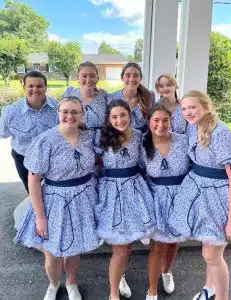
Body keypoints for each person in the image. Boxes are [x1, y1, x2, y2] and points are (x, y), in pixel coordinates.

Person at [14, 96, 100, 300]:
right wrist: (40, 217)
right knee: (51, 252)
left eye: (75, 112)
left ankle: (71, 283)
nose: (69, 116)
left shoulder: (89, 137)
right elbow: (34, 180)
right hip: (54, 201)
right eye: (65, 111)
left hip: (83, 199)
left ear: (82, 114)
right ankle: (53, 284)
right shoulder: (45, 140)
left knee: (74, 247)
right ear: (58, 113)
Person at [169, 90, 231, 300]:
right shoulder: (194, 128)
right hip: (200, 196)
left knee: (212, 255)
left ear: (206, 105)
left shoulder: (221, 134)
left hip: (218, 200)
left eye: (192, 107)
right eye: (184, 108)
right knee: (208, 249)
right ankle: (209, 287)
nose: (187, 112)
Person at [95, 99, 156, 300]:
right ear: (108, 119)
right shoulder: (101, 137)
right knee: (120, 249)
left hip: (135, 190)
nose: (119, 120)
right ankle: (113, 294)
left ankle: (120, 275)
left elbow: (146, 162)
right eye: (114, 116)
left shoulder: (139, 135)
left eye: (123, 115)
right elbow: (94, 165)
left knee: (127, 245)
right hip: (111, 192)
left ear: (130, 115)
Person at [141, 104, 190, 300]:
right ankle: (152, 289)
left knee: (173, 242)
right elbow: (139, 171)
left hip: (180, 196)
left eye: (165, 120)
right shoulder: (143, 144)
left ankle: (166, 271)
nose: (161, 124)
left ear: (171, 121)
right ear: (149, 122)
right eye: (156, 120)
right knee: (158, 245)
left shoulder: (184, 141)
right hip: (156, 198)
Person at [0, 71, 59, 192]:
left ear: (45, 88)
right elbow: (2, 133)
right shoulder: (11, 112)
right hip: (24, 157)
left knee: (53, 190)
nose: (35, 89)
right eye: (30, 86)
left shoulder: (58, 108)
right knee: (33, 192)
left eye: (39, 86)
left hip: (52, 157)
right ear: (24, 87)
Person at [108, 62, 154, 134]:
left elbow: (153, 119)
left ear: (140, 78)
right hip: (121, 137)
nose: (132, 79)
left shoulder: (149, 95)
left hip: (144, 137)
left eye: (136, 75)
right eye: (128, 75)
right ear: (122, 77)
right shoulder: (112, 97)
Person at [62, 61, 107, 130]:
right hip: (74, 137)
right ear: (78, 77)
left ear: (97, 78)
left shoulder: (104, 96)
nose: (88, 80)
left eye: (92, 76)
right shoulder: (69, 93)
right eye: (84, 76)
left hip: (100, 139)